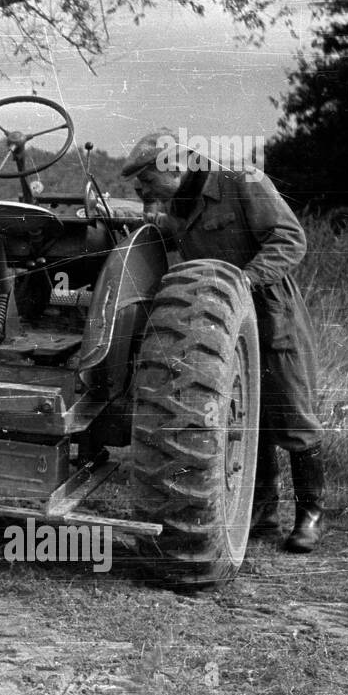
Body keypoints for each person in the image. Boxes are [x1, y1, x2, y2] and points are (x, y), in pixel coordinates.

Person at [122, 130, 326, 553]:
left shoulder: (242, 181)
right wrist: (152, 218)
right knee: (245, 412)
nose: (145, 191)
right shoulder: (182, 199)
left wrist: (244, 280)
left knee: (293, 416)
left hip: (272, 316)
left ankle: (310, 515)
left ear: (173, 167)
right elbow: (182, 234)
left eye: (146, 181)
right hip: (221, 327)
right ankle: (262, 512)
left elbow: (291, 240)